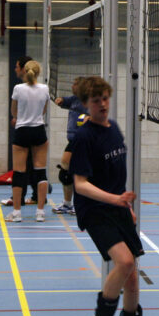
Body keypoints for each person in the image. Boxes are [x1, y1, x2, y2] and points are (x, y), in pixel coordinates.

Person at [70, 76, 147, 316]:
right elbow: (79, 184)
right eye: (95, 100)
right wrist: (115, 199)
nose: (102, 104)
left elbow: (117, 175)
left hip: (117, 207)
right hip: (95, 210)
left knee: (133, 277)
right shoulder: (83, 137)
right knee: (125, 262)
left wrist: (125, 203)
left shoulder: (113, 129)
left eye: (105, 98)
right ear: (86, 104)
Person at [4, 60, 49, 222]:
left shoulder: (18, 88)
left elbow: (13, 111)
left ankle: (16, 213)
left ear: (25, 72)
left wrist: (19, 117)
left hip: (22, 131)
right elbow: (43, 110)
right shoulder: (45, 88)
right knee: (41, 171)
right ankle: (40, 212)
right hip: (38, 130)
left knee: (19, 172)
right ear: (38, 72)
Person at [51, 76, 90, 215]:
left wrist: (89, 119)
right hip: (73, 140)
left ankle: (81, 205)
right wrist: (60, 100)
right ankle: (68, 204)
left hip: (83, 141)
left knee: (74, 171)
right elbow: (64, 101)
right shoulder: (74, 99)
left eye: (75, 84)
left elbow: (99, 117)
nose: (72, 86)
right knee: (65, 174)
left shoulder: (89, 102)